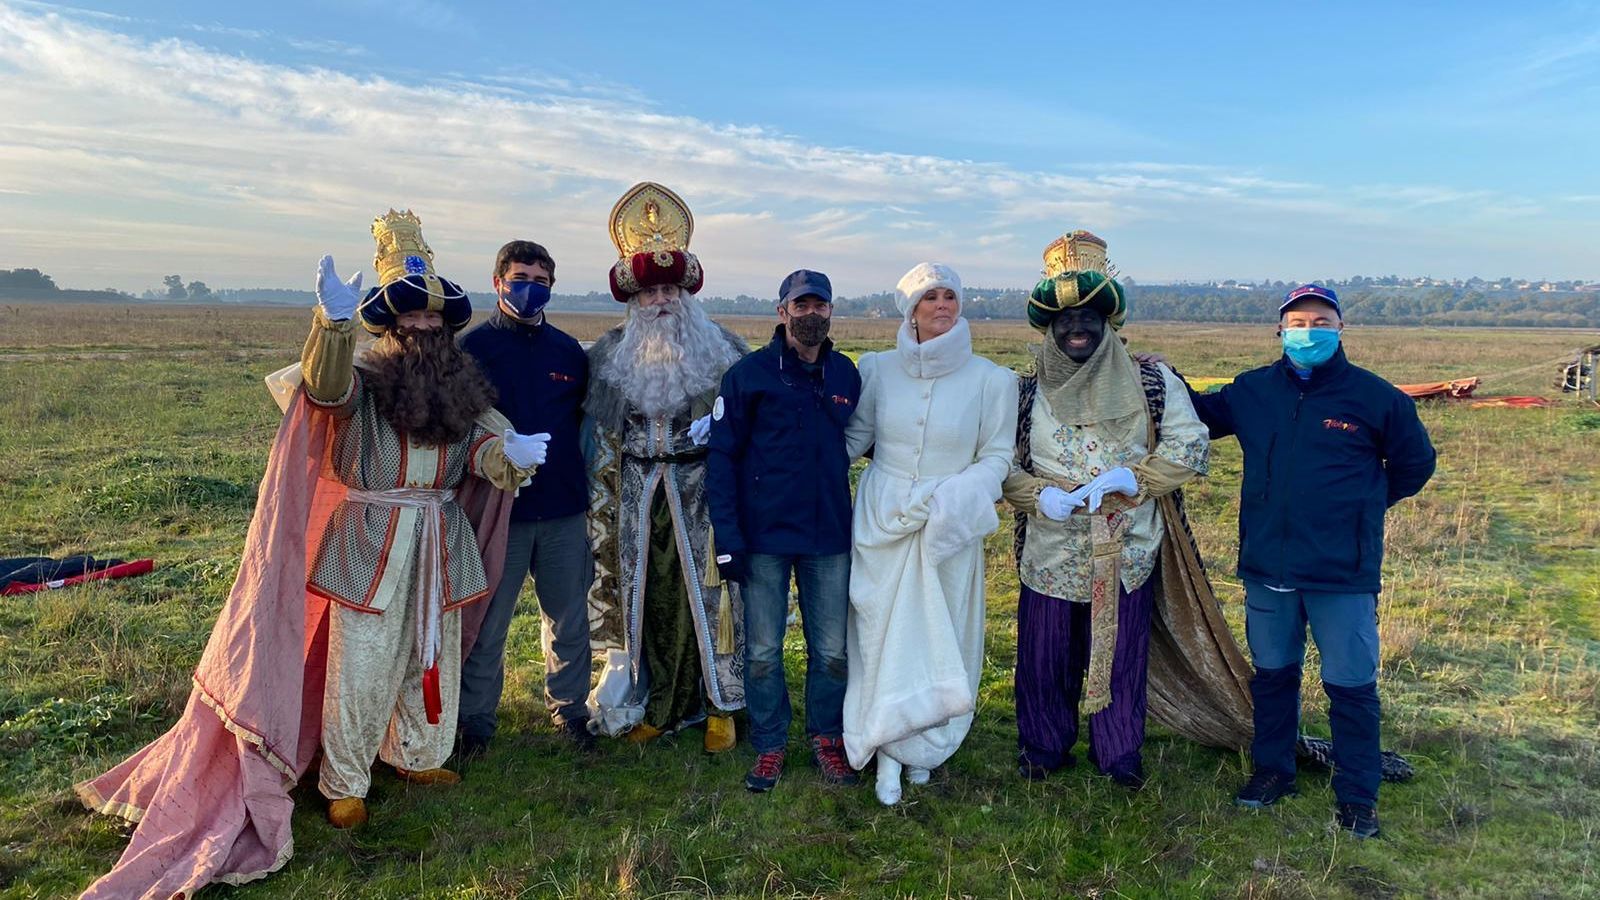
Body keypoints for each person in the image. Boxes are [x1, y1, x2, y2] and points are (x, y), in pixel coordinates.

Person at [74, 211, 544, 896]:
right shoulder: (364, 381)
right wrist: (330, 323)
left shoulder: (460, 390)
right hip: (370, 543)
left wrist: (509, 454)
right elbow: (323, 391)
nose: (423, 329)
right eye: (410, 319)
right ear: (388, 325)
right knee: (362, 666)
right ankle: (345, 781)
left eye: (433, 320)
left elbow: (476, 451)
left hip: (440, 540)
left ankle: (418, 755)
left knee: (432, 653)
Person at [1185, 282, 1436, 838]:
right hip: (1268, 567)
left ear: (1341, 328)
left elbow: (1416, 465)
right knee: (1273, 676)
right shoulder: (1253, 391)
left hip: (1340, 572)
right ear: (1279, 331)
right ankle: (1274, 773)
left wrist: (1361, 507)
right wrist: (1159, 375)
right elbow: (1197, 414)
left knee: (1350, 683)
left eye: (1321, 322)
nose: (1308, 332)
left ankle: (1356, 795)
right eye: (1297, 323)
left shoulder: (1376, 398)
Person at [1000, 231, 1210, 789]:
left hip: (1127, 547)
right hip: (1050, 547)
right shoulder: (1022, 392)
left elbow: (1190, 446)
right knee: (1044, 656)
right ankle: (1042, 747)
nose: (1077, 329)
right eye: (1064, 321)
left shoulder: (1151, 380)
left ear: (1108, 324)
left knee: (1121, 654)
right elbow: (998, 464)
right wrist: (1035, 494)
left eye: (1089, 318)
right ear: (1049, 329)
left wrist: (1134, 479)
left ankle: (1118, 753)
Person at [842, 262, 1018, 805]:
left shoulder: (993, 379)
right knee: (879, 638)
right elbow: (854, 441)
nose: (942, 305)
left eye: (949, 296)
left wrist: (958, 497)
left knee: (936, 634)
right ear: (910, 310)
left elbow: (997, 457)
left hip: (948, 521)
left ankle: (926, 744)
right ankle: (886, 747)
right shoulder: (875, 369)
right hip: (881, 518)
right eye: (929, 298)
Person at [583, 182, 748, 752]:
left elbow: (751, 426)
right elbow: (600, 438)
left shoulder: (723, 349)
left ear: (687, 293)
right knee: (648, 600)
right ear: (634, 300)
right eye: (650, 293)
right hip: (636, 493)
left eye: (672, 289)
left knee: (711, 595)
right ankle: (657, 700)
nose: (662, 302)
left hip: (702, 488)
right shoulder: (608, 354)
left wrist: (721, 429)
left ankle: (723, 705)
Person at [706, 268, 862, 792]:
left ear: (831, 312)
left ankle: (827, 738)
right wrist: (728, 541)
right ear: (782, 311)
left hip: (828, 536)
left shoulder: (845, 374)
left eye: (820, 306)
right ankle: (770, 745)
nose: (811, 314)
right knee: (765, 652)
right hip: (764, 538)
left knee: (833, 651)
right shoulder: (747, 376)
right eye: (801, 306)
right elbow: (722, 461)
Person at [458, 240, 595, 757]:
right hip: (500, 507)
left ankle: (570, 712)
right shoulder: (473, 351)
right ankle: (476, 722)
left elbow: (583, 421)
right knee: (490, 620)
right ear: (497, 283)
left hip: (562, 507)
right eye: (520, 278)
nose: (529, 289)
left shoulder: (568, 352)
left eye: (541, 281)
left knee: (568, 618)